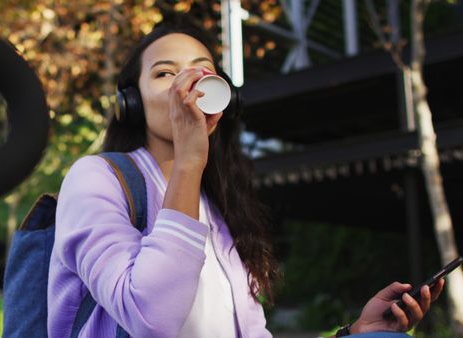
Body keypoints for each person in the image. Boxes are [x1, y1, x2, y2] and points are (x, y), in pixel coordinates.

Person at [47, 15, 444, 338]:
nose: (188, 86)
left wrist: (353, 332)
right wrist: (189, 159)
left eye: (202, 73)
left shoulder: (218, 209)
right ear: (130, 103)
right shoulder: (97, 178)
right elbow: (151, 318)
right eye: (166, 74)